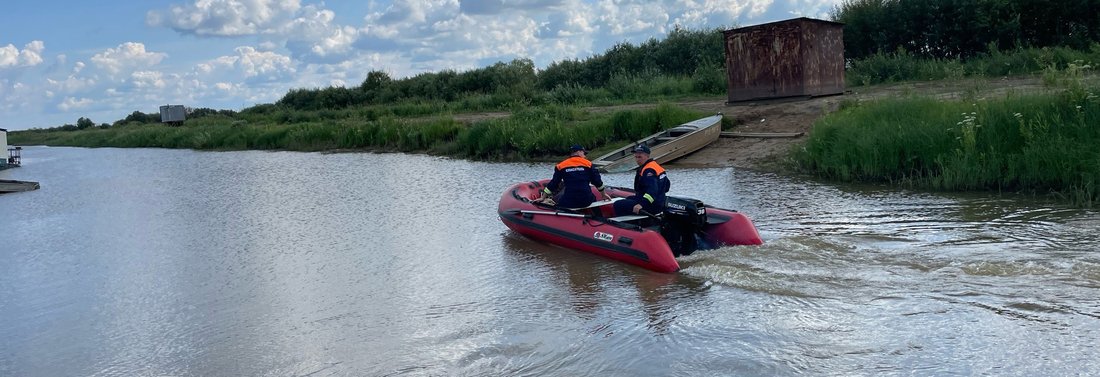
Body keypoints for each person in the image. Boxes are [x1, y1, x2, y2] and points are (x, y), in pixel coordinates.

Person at [541, 144, 608, 208]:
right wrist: (603, 194)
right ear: (578, 152)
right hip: (586, 201)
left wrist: (543, 197)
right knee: (592, 197)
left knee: (558, 200)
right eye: (584, 153)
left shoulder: (561, 166)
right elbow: (597, 181)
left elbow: (554, 183)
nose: (584, 156)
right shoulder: (589, 164)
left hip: (569, 201)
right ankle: (596, 216)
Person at [613, 144, 670, 216]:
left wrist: (641, 204)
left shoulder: (648, 171)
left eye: (640, 157)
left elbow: (652, 191)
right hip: (659, 202)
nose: (637, 160)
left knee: (618, 204)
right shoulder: (656, 166)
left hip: (652, 205)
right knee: (629, 198)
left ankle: (625, 225)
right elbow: (667, 186)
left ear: (647, 156)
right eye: (636, 157)